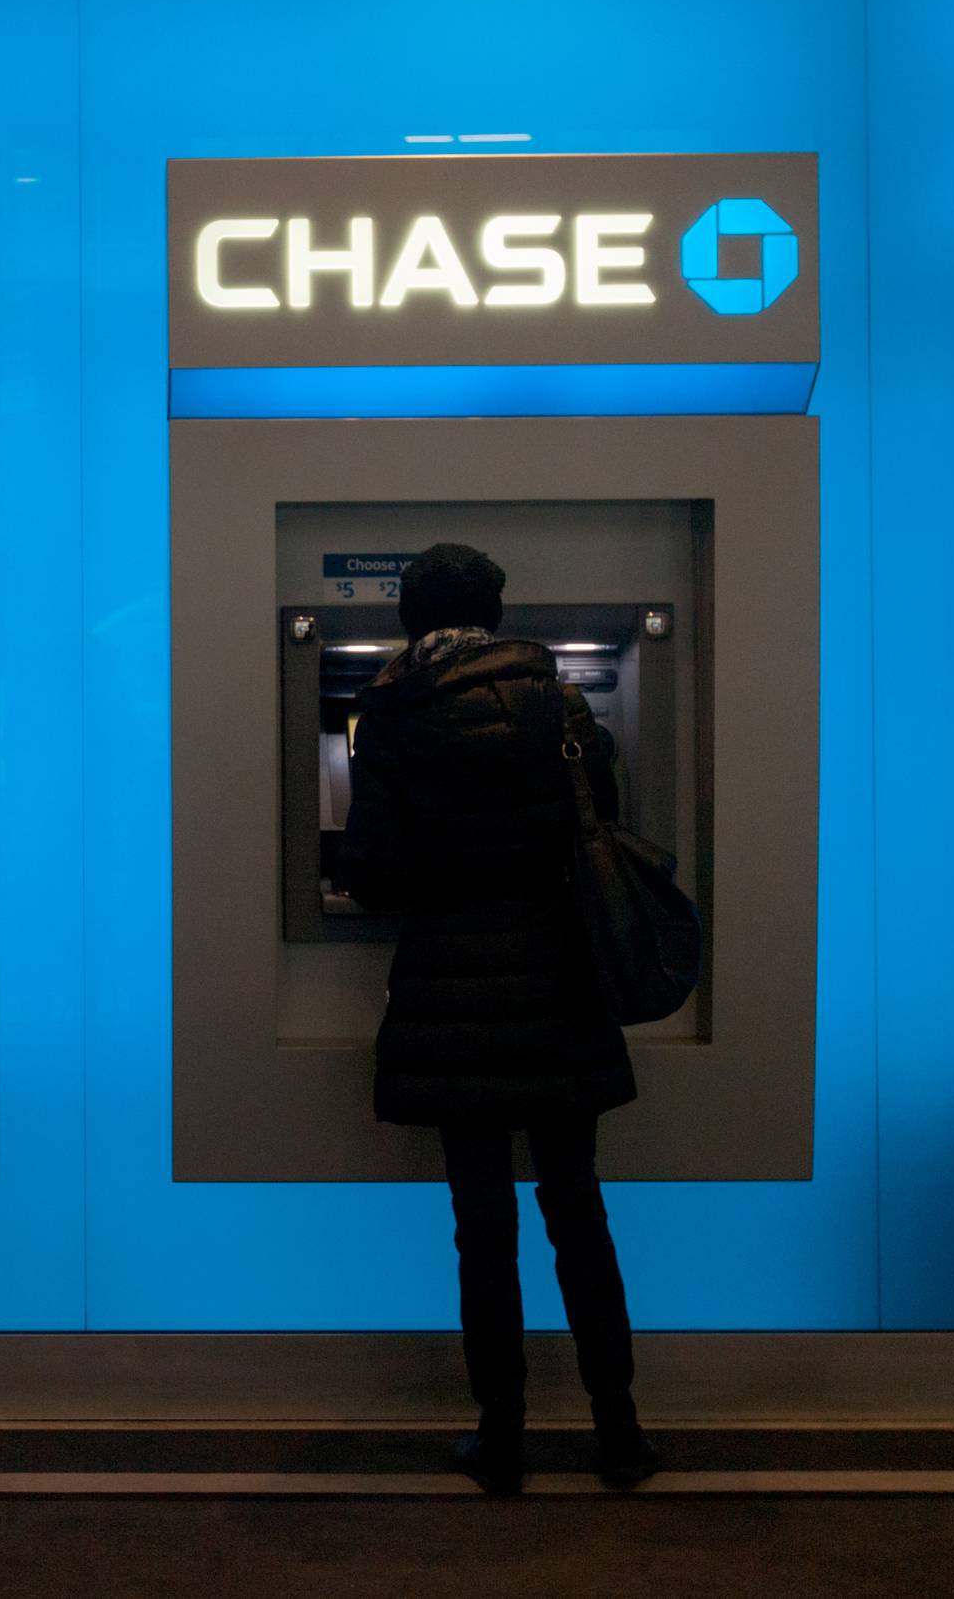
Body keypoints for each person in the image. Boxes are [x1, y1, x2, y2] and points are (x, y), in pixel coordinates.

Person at [335, 543, 659, 1496]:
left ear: (409, 616)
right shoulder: (563, 708)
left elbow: (370, 872)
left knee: (483, 1224)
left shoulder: (391, 717)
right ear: (498, 612)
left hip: (453, 997)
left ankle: (503, 1435)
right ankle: (621, 1430)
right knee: (578, 1211)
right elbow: (600, 827)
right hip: (561, 987)